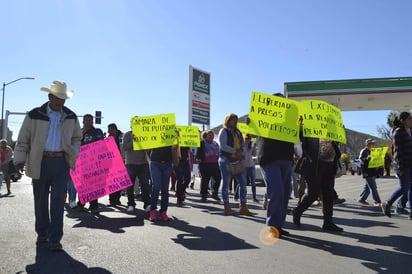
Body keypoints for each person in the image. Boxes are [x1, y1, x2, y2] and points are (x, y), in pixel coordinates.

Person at [13, 80, 82, 251]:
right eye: (58, 98)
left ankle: (55, 238)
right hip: (40, 162)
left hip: (61, 163)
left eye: (63, 99)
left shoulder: (71, 117)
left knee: (58, 203)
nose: (60, 102)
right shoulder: (34, 114)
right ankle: (42, 233)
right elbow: (23, 139)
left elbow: (77, 138)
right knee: (40, 200)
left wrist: (73, 152)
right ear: (50, 96)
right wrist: (20, 159)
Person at [293, 134, 344, 232]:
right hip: (313, 164)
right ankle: (298, 212)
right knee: (313, 194)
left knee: (328, 195)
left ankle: (328, 222)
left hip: (329, 164)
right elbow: (302, 140)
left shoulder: (332, 127)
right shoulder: (310, 125)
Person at [254, 124, 294, 235]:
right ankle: (272, 226)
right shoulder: (267, 112)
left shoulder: (292, 115)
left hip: (286, 156)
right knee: (277, 191)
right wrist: (252, 124)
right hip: (268, 156)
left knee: (285, 193)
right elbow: (255, 130)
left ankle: (278, 226)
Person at [218, 113, 255, 216]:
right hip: (226, 160)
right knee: (226, 183)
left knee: (243, 184)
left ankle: (243, 206)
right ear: (227, 121)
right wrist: (235, 151)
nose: (234, 122)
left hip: (238, 161)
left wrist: (241, 152)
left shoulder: (238, 132)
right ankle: (226, 206)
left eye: (235, 120)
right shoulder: (223, 131)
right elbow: (223, 146)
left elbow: (243, 144)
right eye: (232, 120)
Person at [381, 112, 412, 219]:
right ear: (403, 120)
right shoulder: (398, 132)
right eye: (409, 119)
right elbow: (398, 152)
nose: (411, 120)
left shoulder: (410, 131)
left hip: (410, 164)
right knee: (404, 187)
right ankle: (388, 203)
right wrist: (400, 167)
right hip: (403, 164)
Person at [77, 114, 104, 214]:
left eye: (90, 120)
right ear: (83, 121)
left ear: (92, 121)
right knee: (83, 184)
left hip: (95, 162)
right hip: (83, 163)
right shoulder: (79, 132)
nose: (88, 122)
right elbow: (75, 144)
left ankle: (94, 206)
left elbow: (102, 144)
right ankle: (81, 203)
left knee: (94, 184)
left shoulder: (97, 131)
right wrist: (83, 133)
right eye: (86, 120)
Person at [122, 130, 151, 213]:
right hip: (131, 163)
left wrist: (141, 141)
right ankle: (131, 204)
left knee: (145, 184)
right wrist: (133, 140)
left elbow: (148, 149)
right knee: (130, 185)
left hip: (143, 163)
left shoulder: (144, 134)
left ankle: (147, 204)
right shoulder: (127, 135)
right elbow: (125, 147)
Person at [149, 145, 175, 221]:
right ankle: (153, 210)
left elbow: (175, 147)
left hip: (167, 163)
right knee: (156, 186)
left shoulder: (172, 133)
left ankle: (163, 211)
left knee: (165, 189)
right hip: (155, 162)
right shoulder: (153, 132)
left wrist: (176, 139)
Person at [196, 130, 221, 202]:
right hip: (205, 164)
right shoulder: (202, 143)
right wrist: (199, 158)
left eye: (212, 135)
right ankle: (203, 196)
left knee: (218, 178)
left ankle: (215, 193)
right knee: (205, 180)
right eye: (209, 135)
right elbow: (199, 152)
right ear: (205, 136)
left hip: (215, 164)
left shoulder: (216, 143)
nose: (211, 136)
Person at [234, 134, 259, 203]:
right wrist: (241, 156)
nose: (247, 140)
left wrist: (254, 149)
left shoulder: (252, 145)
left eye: (249, 139)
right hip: (243, 166)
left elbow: (254, 155)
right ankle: (236, 195)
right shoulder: (241, 146)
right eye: (246, 139)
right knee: (242, 183)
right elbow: (238, 155)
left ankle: (254, 198)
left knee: (253, 183)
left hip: (251, 166)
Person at [357, 139, 382, 206]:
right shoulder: (364, 151)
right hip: (367, 172)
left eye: (374, 144)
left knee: (367, 188)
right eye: (372, 144)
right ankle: (377, 201)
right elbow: (361, 161)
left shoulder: (373, 151)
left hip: (372, 172)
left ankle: (362, 199)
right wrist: (367, 158)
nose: (373, 145)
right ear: (368, 144)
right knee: (373, 187)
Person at [107, 123, 123, 206]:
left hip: (120, 162)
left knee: (119, 183)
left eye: (109, 130)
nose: (108, 131)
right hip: (111, 163)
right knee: (111, 183)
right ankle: (112, 200)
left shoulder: (122, 137)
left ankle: (117, 199)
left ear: (114, 129)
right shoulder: (109, 138)